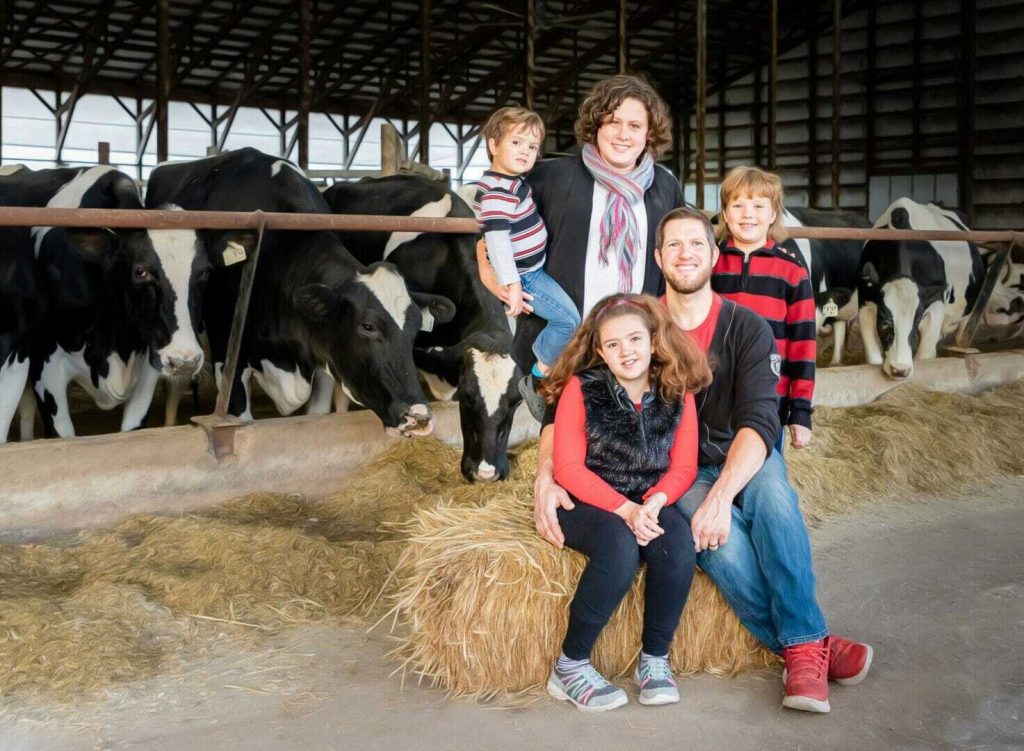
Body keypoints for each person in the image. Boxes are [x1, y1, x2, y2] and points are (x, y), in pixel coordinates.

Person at [533, 206, 872, 714]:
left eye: (697, 243)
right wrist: (544, 473)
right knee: (721, 547)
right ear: (658, 257)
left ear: (716, 253)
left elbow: (761, 420)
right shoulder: (633, 321)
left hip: (731, 458)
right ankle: (809, 645)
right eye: (673, 245)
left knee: (776, 500)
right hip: (670, 470)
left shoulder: (747, 328)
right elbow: (569, 401)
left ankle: (802, 649)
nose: (686, 253)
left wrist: (720, 496)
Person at [476, 74, 685, 419]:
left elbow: (682, 249)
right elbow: (495, 225)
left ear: (649, 133)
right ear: (595, 125)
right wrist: (487, 268)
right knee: (561, 441)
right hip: (568, 345)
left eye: (635, 125)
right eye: (613, 122)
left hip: (635, 347)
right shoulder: (551, 176)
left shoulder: (664, 185)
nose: (623, 134)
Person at [541, 293, 711, 712]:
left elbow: (684, 465)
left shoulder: (677, 391)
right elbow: (568, 468)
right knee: (619, 546)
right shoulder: (582, 389)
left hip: (648, 497)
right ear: (600, 351)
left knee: (676, 543)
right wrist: (625, 510)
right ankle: (570, 665)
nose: (626, 351)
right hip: (589, 498)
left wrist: (655, 503)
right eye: (613, 344)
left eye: (634, 340)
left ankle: (654, 659)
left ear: (653, 342)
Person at [472, 107, 581, 399]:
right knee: (569, 321)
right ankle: (540, 370)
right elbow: (496, 240)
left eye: (532, 146)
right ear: (493, 145)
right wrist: (514, 284)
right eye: (516, 142)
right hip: (527, 276)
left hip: (532, 269)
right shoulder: (497, 191)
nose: (525, 151)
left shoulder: (509, 182)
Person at [713, 165, 815, 451]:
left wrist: (801, 410)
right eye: (738, 205)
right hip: (712, 401)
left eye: (759, 205)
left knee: (763, 475)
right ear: (725, 213)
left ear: (773, 214)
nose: (748, 214)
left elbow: (803, 345)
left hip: (770, 400)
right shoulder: (709, 264)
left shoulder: (792, 270)